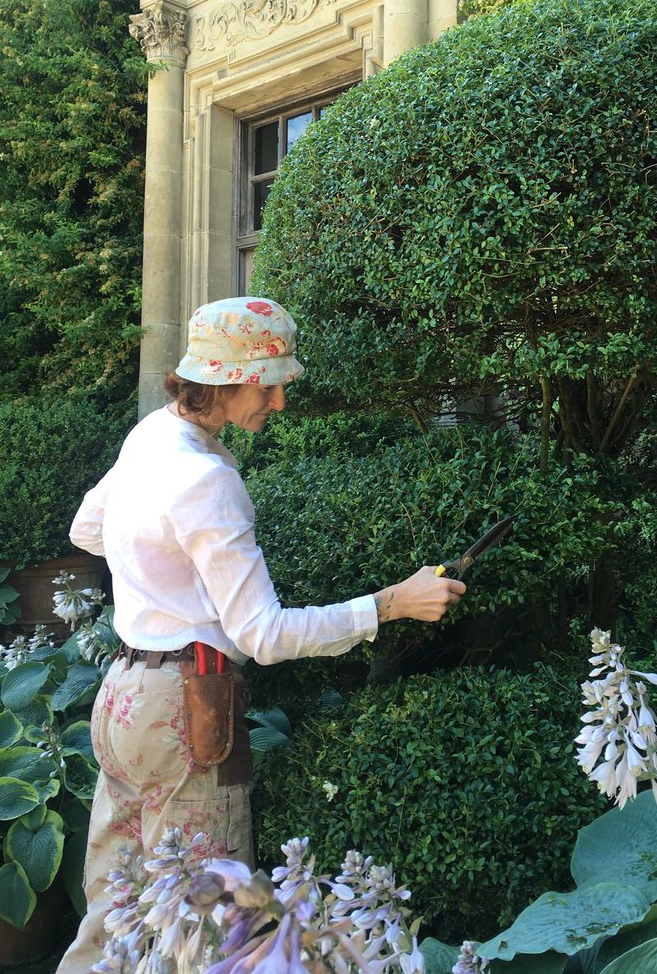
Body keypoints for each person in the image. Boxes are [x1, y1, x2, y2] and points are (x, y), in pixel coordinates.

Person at [55, 297, 465, 974]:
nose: (277, 404)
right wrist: (391, 603)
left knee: (117, 908)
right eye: (270, 386)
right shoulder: (207, 479)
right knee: (203, 925)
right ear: (231, 381)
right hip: (189, 710)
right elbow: (265, 634)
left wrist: (159, 574)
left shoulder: (151, 438)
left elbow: (88, 530)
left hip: (123, 700)